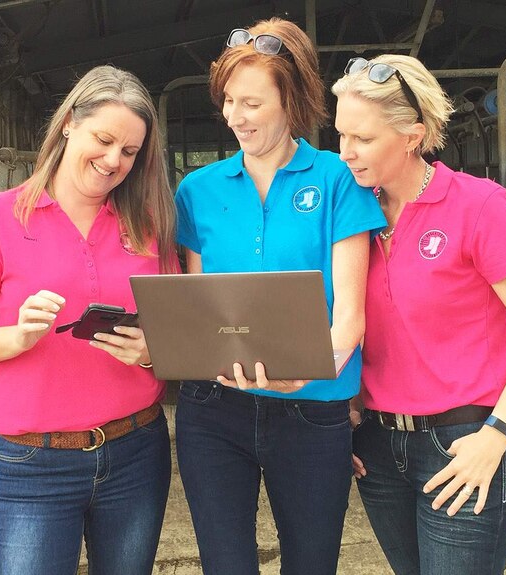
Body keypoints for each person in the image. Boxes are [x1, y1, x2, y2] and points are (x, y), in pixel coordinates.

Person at [332, 54, 506, 574]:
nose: (345, 153)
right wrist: (344, 411)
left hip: (464, 441)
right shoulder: (352, 217)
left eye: (363, 139)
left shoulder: (478, 207)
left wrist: (497, 436)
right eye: (341, 135)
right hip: (376, 444)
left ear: (413, 136)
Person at [0, 65, 177, 575]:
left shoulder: (150, 224)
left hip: (137, 450)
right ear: (70, 122)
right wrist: (16, 337)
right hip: (36, 462)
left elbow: (182, 326)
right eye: (104, 139)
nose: (114, 160)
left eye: (130, 152)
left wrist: (155, 350)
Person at [173, 18, 386, 575]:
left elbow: (351, 316)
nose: (233, 117)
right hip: (214, 410)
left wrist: (309, 372)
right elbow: (199, 308)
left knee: (312, 563)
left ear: (291, 101)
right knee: (225, 564)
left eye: (251, 103)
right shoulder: (197, 190)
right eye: (227, 101)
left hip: (312, 413)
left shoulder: (338, 178)